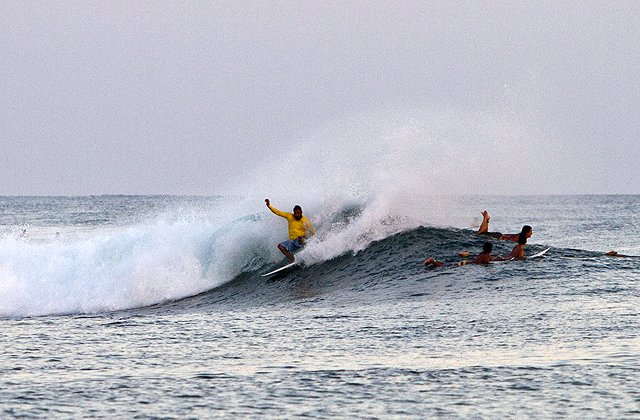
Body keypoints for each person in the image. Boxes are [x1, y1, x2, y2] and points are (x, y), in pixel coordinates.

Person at [265, 198, 315, 263]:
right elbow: (278, 212)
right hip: (292, 242)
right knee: (280, 246)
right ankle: (292, 258)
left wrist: (315, 241)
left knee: (301, 238)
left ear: (301, 212)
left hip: (301, 241)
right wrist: (269, 205)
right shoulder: (289, 216)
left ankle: (309, 253)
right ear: (293, 212)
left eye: (298, 213)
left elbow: (312, 232)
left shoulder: (305, 221)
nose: (297, 215)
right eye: (295, 213)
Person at [424, 241, 495, 267]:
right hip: (466, 264)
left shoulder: (483, 253)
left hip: (465, 262)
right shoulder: (486, 256)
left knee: (445, 264)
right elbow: (487, 262)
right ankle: (432, 260)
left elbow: (491, 259)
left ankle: (433, 261)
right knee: (444, 266)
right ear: (491, 249)